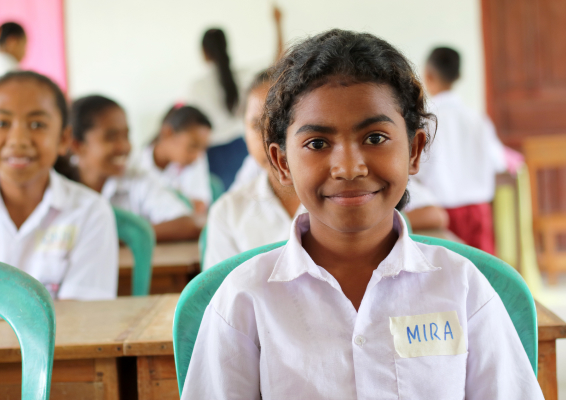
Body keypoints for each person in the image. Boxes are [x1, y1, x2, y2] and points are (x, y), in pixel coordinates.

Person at [181, 30, 543, 399]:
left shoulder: (462, 288)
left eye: (374, 138)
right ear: (281, 163)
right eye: (317, 144)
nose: (349, 167)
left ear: (415, 150)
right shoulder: (244, 300)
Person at [0, 71, 118, 300]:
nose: (18, 140)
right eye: (2, 122)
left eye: (37, 124)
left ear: (64, 139)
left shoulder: (90, 212)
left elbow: (83, 317)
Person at [203, 71, 303, 270]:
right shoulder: (228, 212)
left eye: (281, 123)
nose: (269, 138)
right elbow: (220, 295)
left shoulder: (343, 200)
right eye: (257, 125)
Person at [69, 95, 201, 242]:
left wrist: (123, 236)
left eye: (126, 135)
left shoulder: (136, 179)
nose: (124, 147)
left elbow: (187, 224)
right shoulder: (56, 184)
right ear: (77, 145)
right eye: (111, 137)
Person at [417, 47, 506, 253]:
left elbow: (417, 169)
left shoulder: (426, 121)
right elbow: (499, 162)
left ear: (428, 75)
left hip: (442, 213)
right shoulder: (477, 119)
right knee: (483, 274)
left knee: (450, 276)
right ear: (459, 75)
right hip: (479, 211)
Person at [190, 6, 285, 189]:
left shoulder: (196, 87)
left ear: (204, 52)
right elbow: (278, 63)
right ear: (226, 47)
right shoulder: (243, 77)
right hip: (242, 147)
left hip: (212, 154)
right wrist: (278, 23)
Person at [136, 104, 212, 215]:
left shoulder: (195, 161)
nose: (197, 155)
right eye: (193, 146)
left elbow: (200, 207)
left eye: (203, 149)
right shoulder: (136, 166)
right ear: (168, 133)